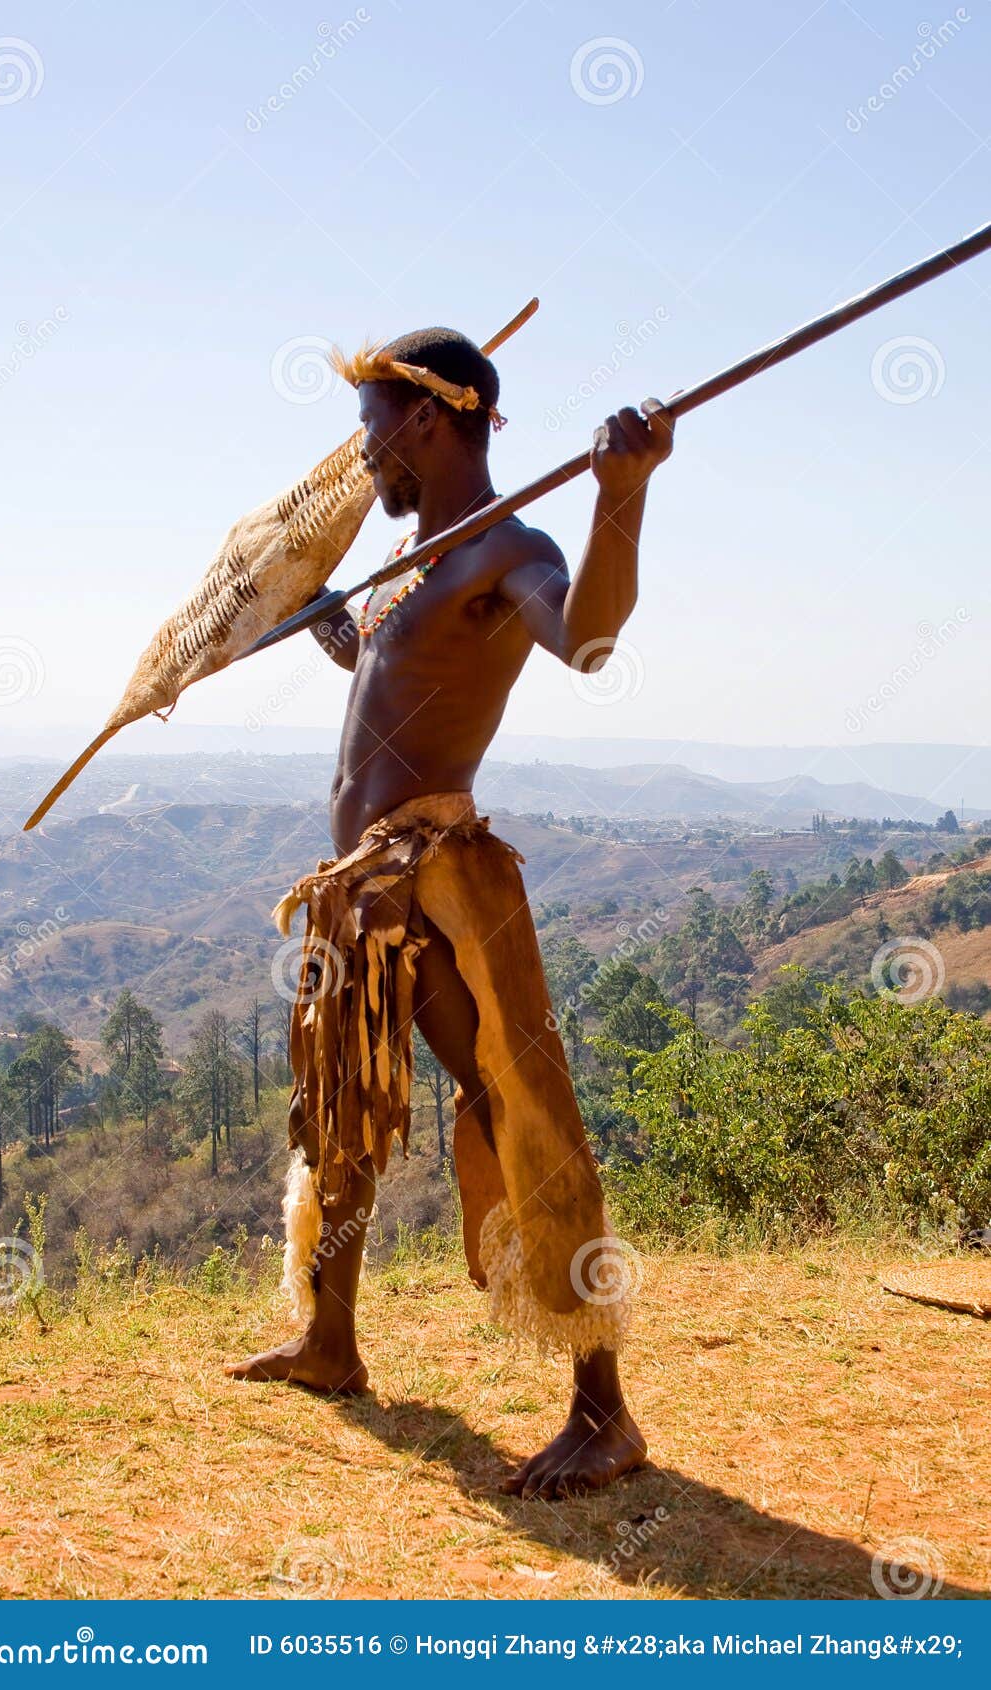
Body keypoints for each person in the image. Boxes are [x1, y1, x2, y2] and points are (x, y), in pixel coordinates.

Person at [226, 326, 673, 1499]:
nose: (362, 458)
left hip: (441, 878)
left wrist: (619, 499)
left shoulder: (502, 550)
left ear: (428, 421)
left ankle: (603, 1411)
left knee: (513, 1104)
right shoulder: (412, 566)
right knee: (341, 1105)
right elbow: (404, 676)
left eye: (373, 434)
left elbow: (584, 638)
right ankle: (329, 1342)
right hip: (358, 892)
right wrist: (341, 632)